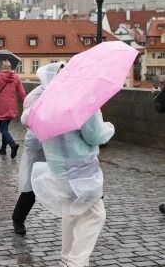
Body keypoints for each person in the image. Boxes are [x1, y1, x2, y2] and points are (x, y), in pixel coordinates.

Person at [31, 111, 114, 266]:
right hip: (81, 170)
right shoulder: (82, 102)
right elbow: (95, 135)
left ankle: (66, 259)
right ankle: (74, 262)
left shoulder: (51, 102)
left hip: (60, 169)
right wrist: (109, 127)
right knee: (95, 215)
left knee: (71, 214)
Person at [12, 62, 65, 236]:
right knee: (31, 184)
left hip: (57, 144)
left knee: (68, 182)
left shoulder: (64, 92)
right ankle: (18, 218)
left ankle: (74, 219)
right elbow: (29, 119)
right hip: (37, 144)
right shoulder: (37, 94)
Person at [0, 59, 26, 158]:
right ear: (10, 67)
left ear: (1, 67)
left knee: (3, 130)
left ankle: (13, 145)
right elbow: (22, 93)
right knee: (5, 129)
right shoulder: (16, 77)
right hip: (12, 106)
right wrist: (26, 104)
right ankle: (3, 148)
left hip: (1, 106)